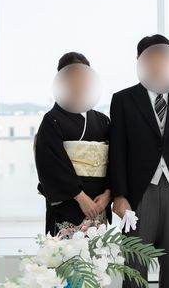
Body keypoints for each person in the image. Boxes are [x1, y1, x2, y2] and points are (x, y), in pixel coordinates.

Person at [108, 34, 169, 288]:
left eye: (165, 57)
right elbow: (117, 150)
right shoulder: (123, 99)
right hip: (139, 193)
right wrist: (119, 195)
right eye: (153, 58)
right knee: (134, 267)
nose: (160, 63)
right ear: (141, 61)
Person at [35, 52, 111, 235]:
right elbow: (51, 164)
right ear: (62, 81)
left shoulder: (102, 120)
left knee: (98, 251)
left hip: (99, 203)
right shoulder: (52, 120)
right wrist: (80, 197)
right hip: (68, 203)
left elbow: (115, 159)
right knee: (67, 251)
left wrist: (109, 193)